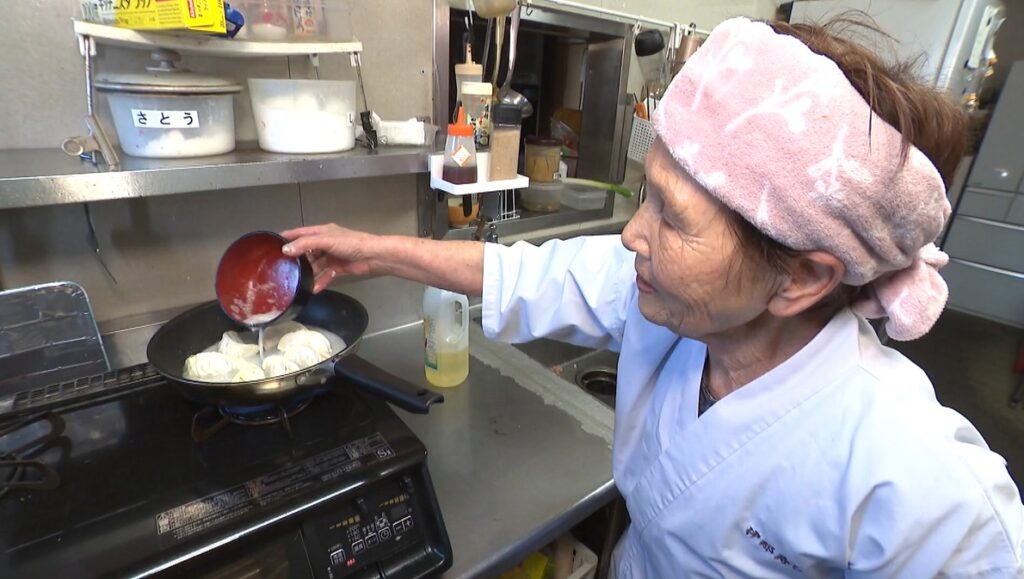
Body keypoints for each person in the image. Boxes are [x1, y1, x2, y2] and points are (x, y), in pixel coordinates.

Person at [281, 17, 1024, 578]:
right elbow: (521, 273)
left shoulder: (920, 487)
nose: (633, 234)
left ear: (802, 278)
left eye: (673, 216)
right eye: (648, 196)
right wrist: (372, 250)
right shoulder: (671, 302)